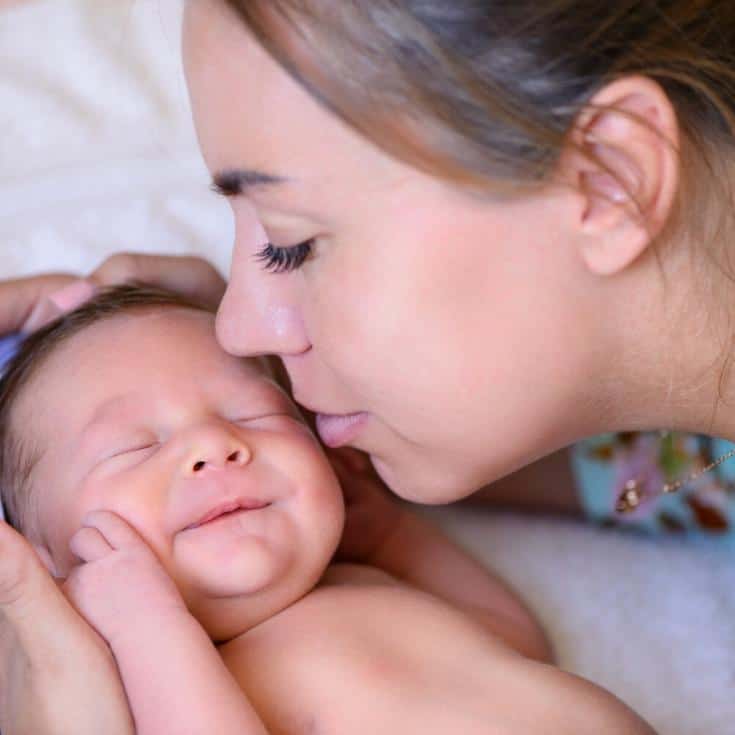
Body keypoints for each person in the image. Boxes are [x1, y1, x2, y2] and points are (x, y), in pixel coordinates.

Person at [1, 1, 734, 731]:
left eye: (292, 244)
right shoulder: (697, 466)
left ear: (610, 178)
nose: (239, 323)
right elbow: (658, 481)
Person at [0, 285, 653, 734]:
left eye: (252, 413)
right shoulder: (154, 686)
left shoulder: (365, 584)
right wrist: (148, 628)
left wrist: (394, 534)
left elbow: (515, 640)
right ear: (46, 554)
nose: (216, 445)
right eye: (133, 446)